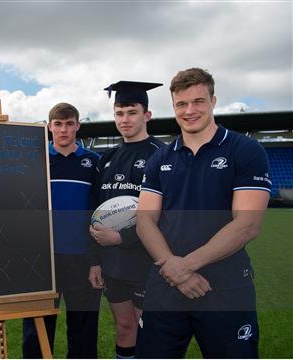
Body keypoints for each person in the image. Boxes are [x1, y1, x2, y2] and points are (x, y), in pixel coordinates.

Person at [136, 68, 271, 358]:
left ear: (213, 101)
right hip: (166, 284)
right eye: (181, 104)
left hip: (225, 286)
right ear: (173, 107)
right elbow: (145, 220)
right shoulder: (160, 157)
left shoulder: (245, 150)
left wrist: (184, 267)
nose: (189, 110)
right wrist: (174, 268)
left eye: (198, 101)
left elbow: (247, 224)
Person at [88, 81, 165, 359]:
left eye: (132, 112)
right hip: (112, 263)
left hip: (149, 262)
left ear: (147, 115)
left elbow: (168, 216)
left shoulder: (162, 155)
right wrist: (95, 260)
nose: (125, 119)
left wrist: (123, 237)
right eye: (119, 113)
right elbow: (95, 211)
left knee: (149, 329)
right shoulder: (107, 158)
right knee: (124, 327)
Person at [22, 103, 101, 358]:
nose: (64, 130)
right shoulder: (35, 161)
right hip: (43, 260)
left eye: (69, 124)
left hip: (82, 258)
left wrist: (96, 261)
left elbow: (99, 214)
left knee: (83, 330)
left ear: (77, 125)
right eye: (58, 124)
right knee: (37, 330)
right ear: (49, 127)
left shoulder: (94, 162)